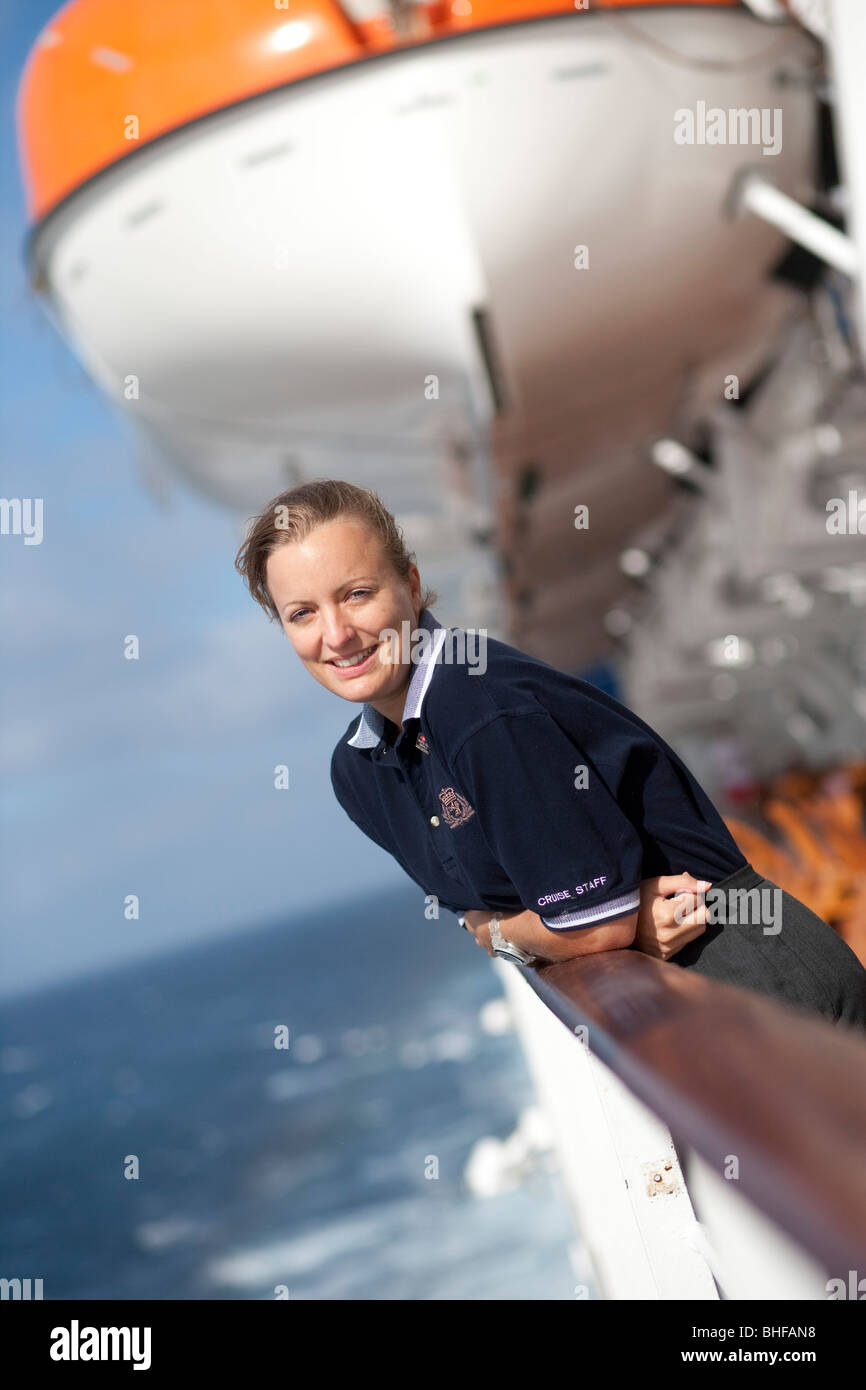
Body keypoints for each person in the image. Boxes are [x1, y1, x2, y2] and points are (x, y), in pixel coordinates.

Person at [235, 479, 866, 1033]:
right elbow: (477, 910)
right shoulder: (360, 771)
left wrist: (502, 935)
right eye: (301, 614)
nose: (336, 635)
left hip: (757, 974)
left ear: (412, 583)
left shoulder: (478, 708)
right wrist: (516, 928)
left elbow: (591, 929)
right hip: (685, 1001)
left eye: (356, 594)